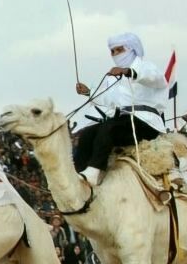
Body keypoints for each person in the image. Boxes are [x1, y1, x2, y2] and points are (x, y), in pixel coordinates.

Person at [72, 32, 167, 186]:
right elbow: (109, 101)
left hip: (145, 122)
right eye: (112, 51)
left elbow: (156, 79)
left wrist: (129, 72)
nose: (115, 54)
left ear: (132, 49)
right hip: (122, 121)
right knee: (88, 134)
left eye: (119, 50)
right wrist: (89, 92)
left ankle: (94, 171)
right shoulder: (112, 76)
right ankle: (78, 176)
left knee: (109, 128)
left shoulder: (146, 67)